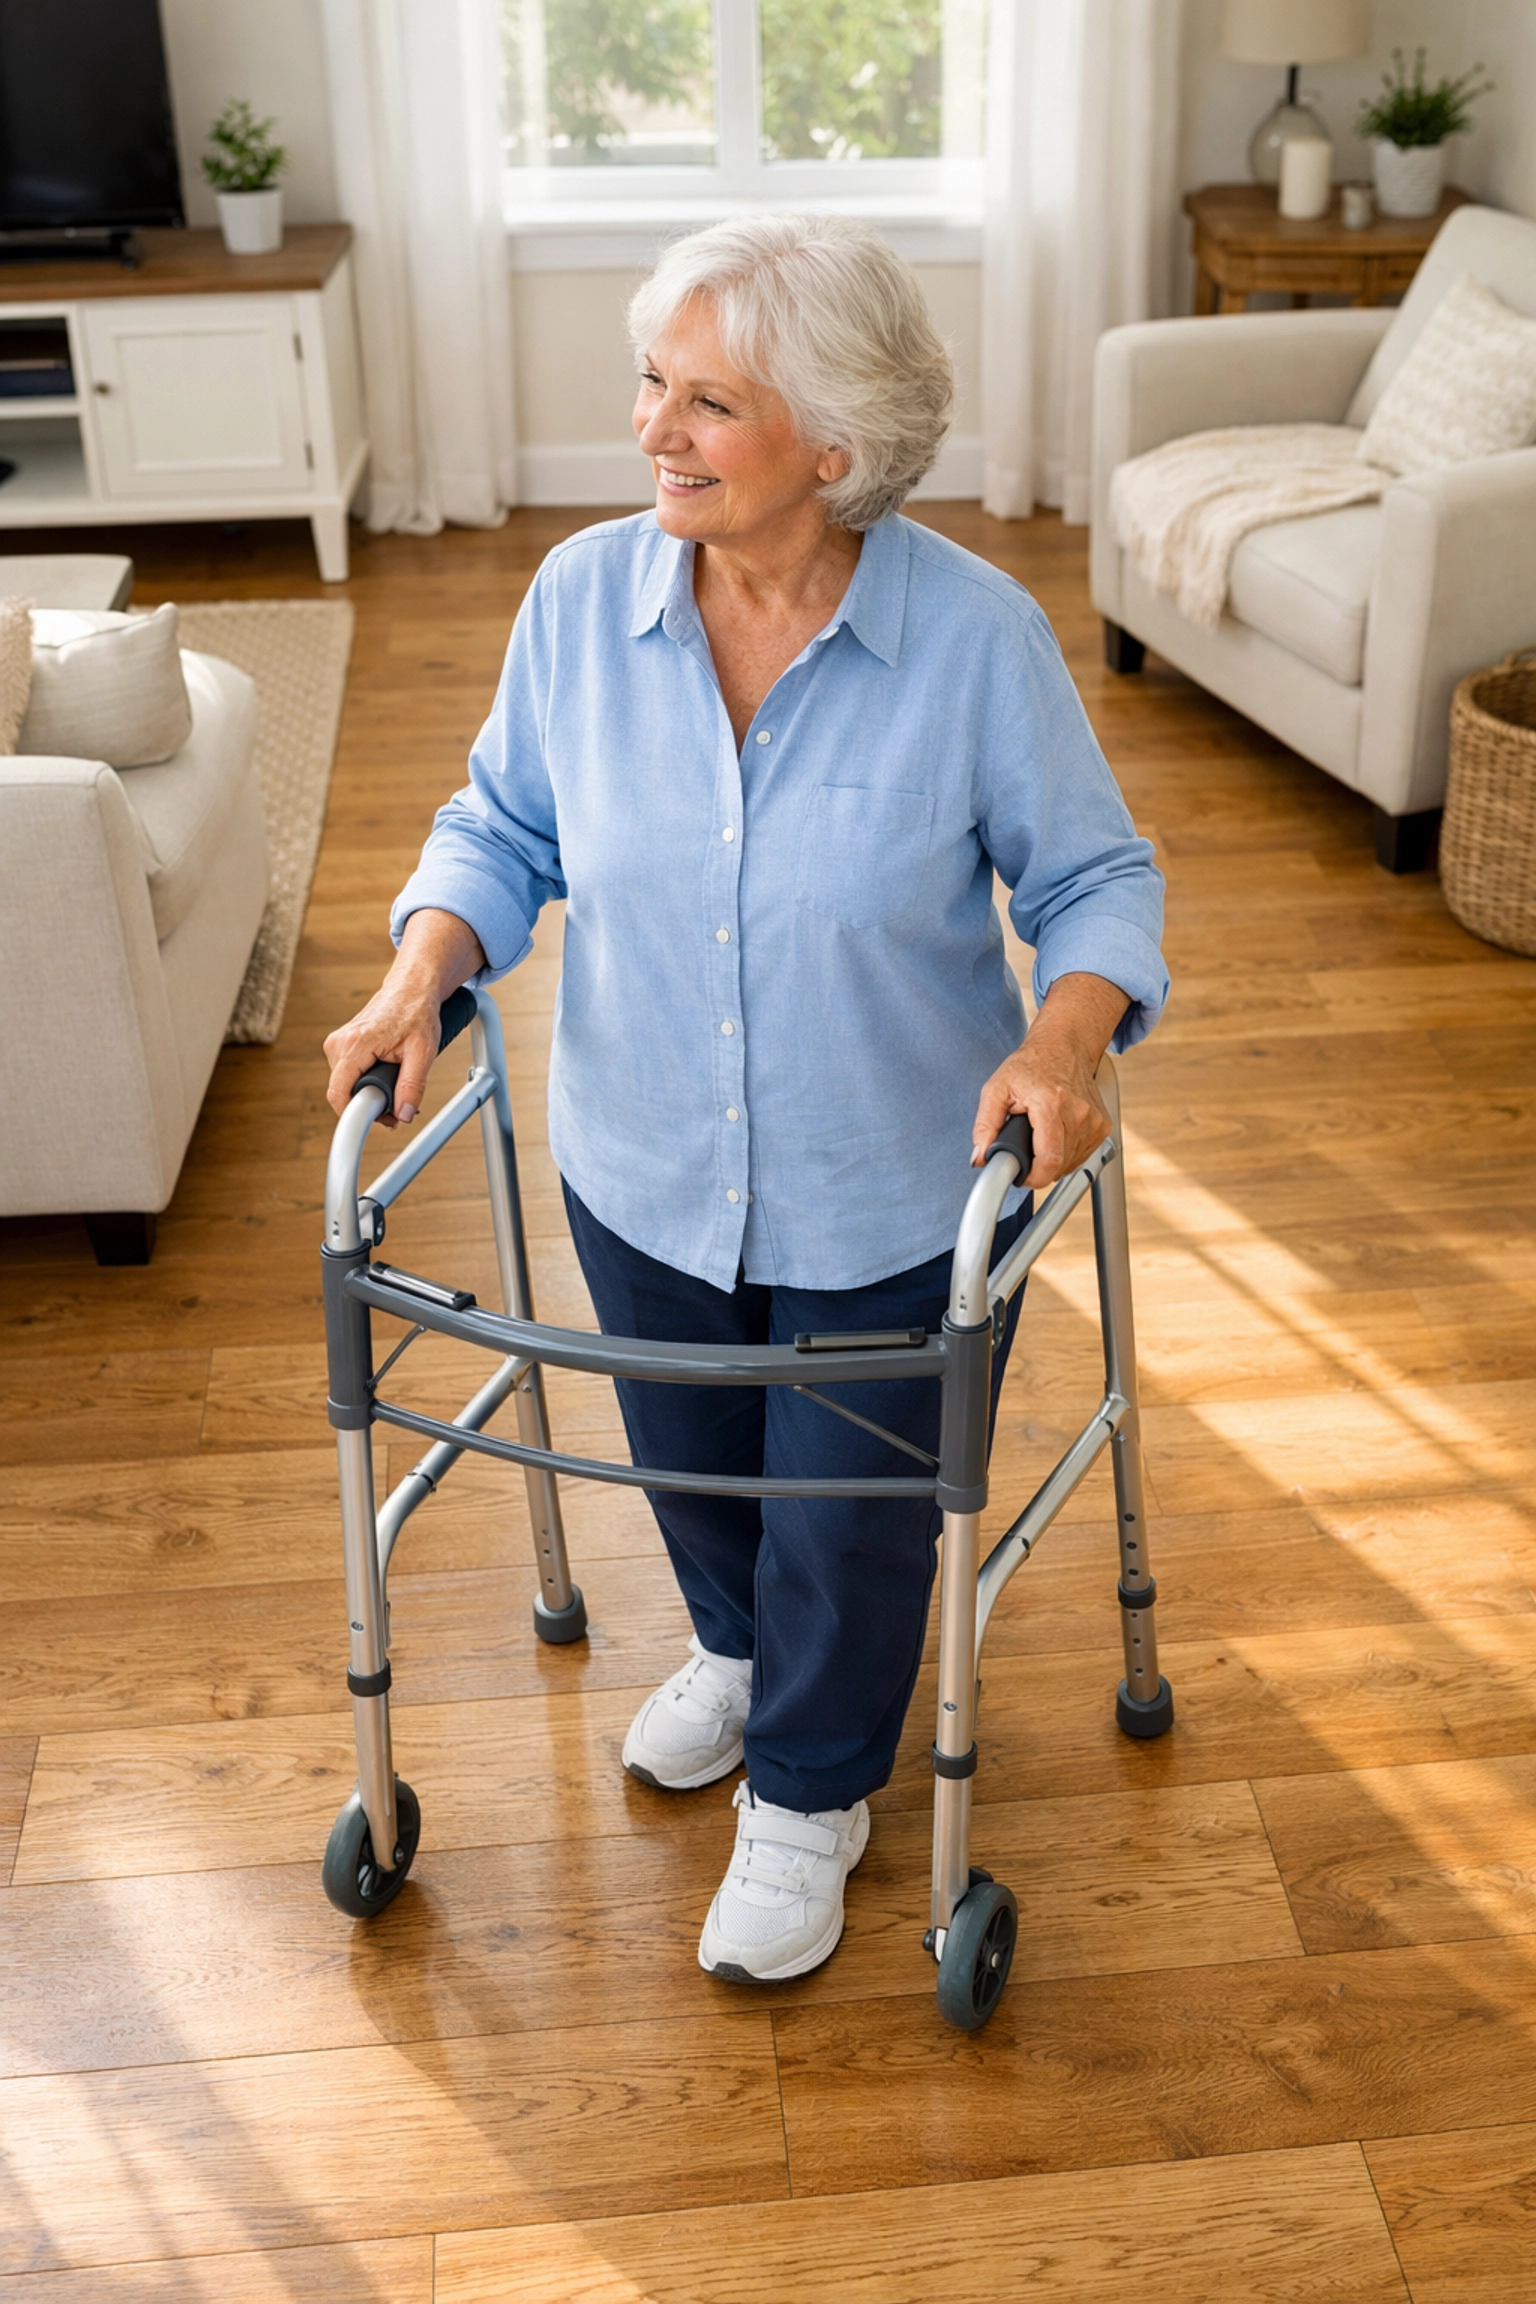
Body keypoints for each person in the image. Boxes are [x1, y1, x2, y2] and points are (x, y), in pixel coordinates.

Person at [325, 212, 1167, 1985]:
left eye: (707, 400)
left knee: (851, 1520)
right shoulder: (580, 603)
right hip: (639, 1162)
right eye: (652, 380)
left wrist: (1065, 1039)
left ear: (837, 450)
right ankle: (735, 1643)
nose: (653, 429)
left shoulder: (974, 642)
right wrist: (422, 971)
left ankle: (811, 1783)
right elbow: (501, 825)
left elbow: (1096, 885)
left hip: (891, 1184)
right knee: (691, 1458)